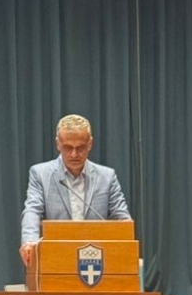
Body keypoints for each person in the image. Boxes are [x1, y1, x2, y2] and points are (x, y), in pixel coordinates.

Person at [19, 114, 132, 267]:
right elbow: (32, 210)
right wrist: (30, 241)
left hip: (97, 260)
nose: (74, 154)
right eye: (68, 147)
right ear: (58, 144)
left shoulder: (107, 177)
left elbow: (122, 218)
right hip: (56, 259)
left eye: (80, 148)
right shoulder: (40, 174)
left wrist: (127, 239)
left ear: (90, 144)